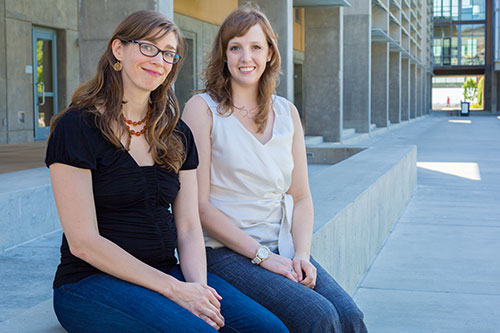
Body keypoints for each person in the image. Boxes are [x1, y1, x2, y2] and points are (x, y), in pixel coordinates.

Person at [46, 10, 288, 332]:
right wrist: (175, 290)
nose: (159, 59)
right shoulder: (76, 127)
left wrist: (198, 290)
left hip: (165, 272)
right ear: (118, 50)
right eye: (148, 47)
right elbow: (83, 242)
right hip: (90, 283)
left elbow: (188, 227)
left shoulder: (175, 133)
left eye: (169, 53)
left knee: (269, 329)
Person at [182, 5, 367, 333]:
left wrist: (303, 254)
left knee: (350, 315)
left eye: (255, 47)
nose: (245, 57)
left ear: (270, 53)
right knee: (318, 316)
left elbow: (301, 197)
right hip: (225, 251)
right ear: (223, 55)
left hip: (283, 246)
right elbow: (199, 206)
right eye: (235, 47)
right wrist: (263, 257)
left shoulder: (287, 113)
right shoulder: (202, 109)